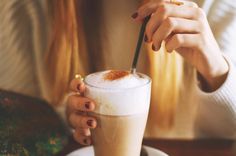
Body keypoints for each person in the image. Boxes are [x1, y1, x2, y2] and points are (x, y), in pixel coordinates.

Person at [0, 0, 236, 147]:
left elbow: (230, 135)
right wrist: (64, 123)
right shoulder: (25, 6)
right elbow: (10, 135)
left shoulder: (214, 4)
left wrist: (215, 69)